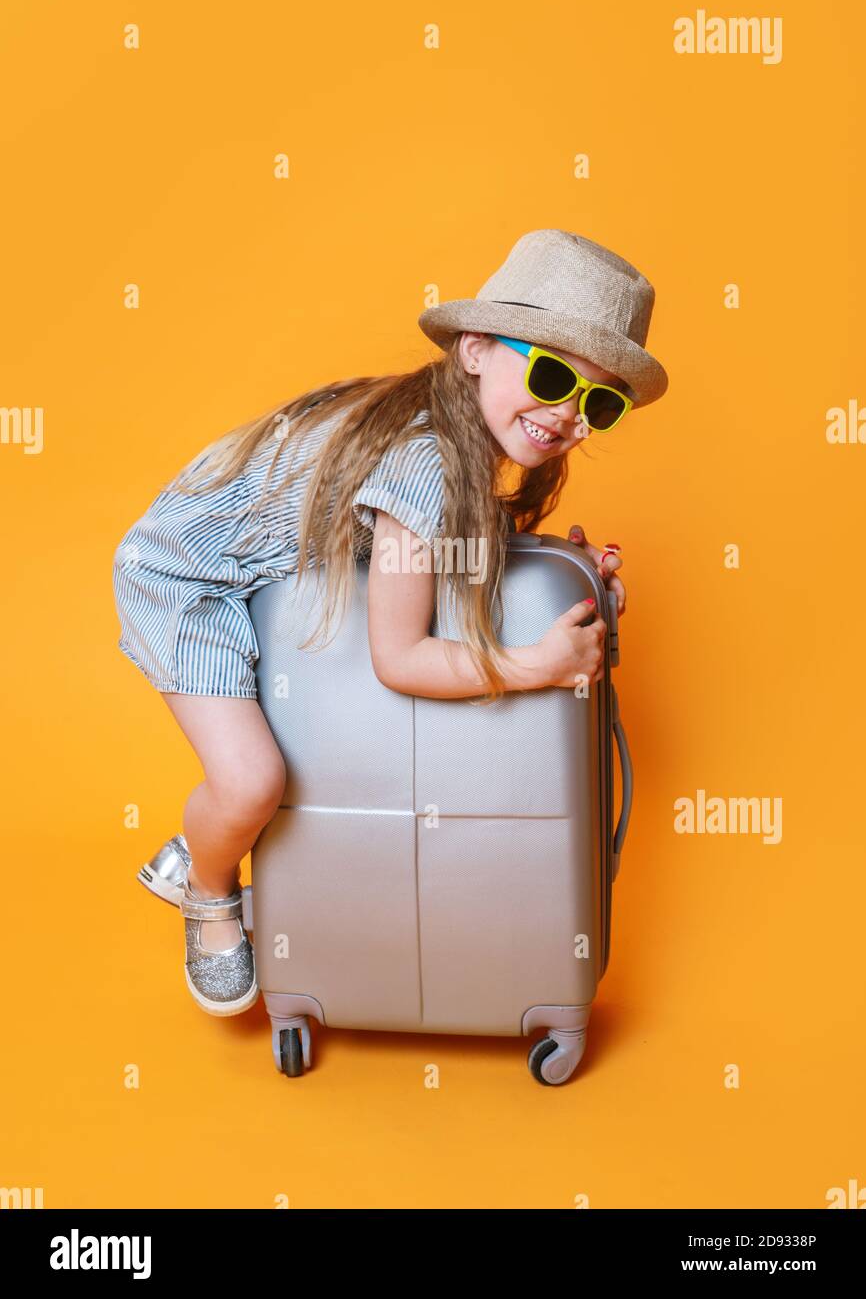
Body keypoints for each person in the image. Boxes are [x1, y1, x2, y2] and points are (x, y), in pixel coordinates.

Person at [111, 228, 668, 1017]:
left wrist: (560, 579)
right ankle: (205, 887)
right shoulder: (424, 459)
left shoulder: (455, 432)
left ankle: (208, 840)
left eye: (598, 401)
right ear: (475, 348)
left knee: (281, 771)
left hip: (262, 570)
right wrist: (536, 664)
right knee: (253, 781)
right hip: (186, 577)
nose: (567, 412)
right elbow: (400, 660)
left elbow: (449, 544)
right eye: (551, 374)